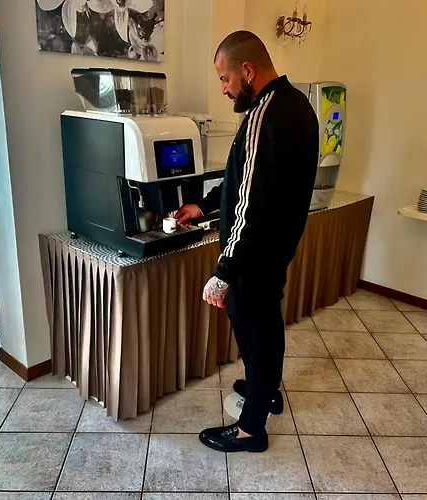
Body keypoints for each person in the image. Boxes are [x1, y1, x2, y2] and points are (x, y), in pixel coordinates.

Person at [175, 30, 319, 453]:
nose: (223, 89)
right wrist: (204, 206)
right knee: (266, 325)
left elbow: (250, 204)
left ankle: (250, 430)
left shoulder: (262, 115)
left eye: (225, 79)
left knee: (254, 329)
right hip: (277, 246)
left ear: (248, 70)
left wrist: (224, 272)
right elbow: (246, 180)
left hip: (253, 253)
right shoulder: (298, 105)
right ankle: (265, 390)